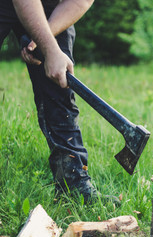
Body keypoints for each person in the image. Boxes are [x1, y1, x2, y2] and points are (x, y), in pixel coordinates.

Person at [0, 0, 119, 204]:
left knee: (60, 85)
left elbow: (79, 1)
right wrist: (50, 48)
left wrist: (43, 42)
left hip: (50, 7)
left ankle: (73, 184)